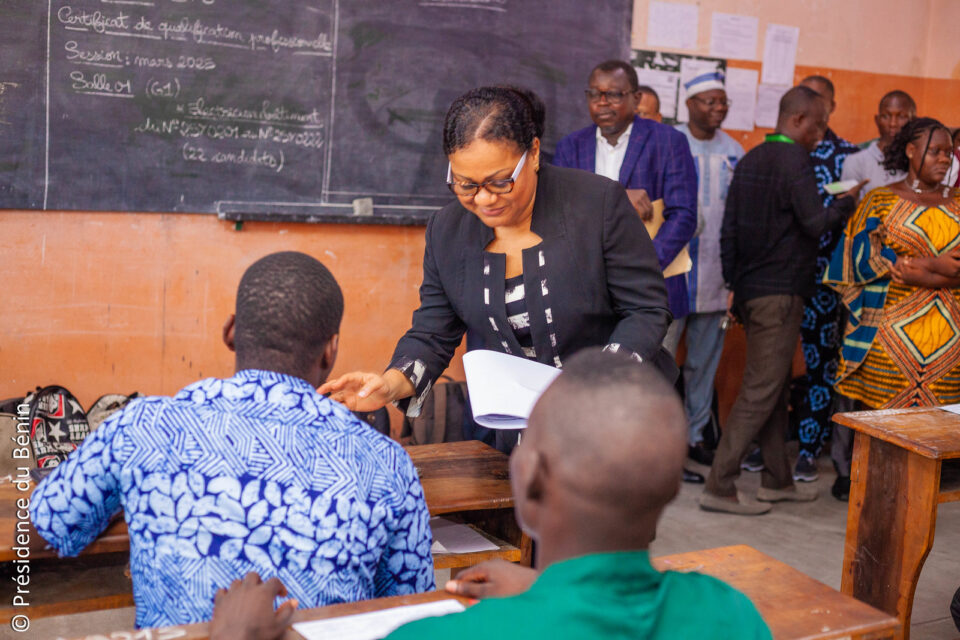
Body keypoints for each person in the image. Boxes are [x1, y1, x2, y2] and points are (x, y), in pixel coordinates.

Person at [212, 349, 773, 640]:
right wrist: (546, 595)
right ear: (672, 486)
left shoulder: (442, 637)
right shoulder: (731, 615)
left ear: (526, 483)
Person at [30, 252, 435, 628]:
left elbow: (52, 519)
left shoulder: (144, 426)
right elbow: (409, 614)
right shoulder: (386, 463)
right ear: (330, 351)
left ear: (230, 332)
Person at [320, 87, 673, 455]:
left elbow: (646, 311)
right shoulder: (448, 232)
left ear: (533, 153)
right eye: (465, 184)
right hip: (516, 435)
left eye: (500, 181)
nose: (484, 199)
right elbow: (433, 332)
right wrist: (390, 384)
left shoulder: (597, 205)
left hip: (611, 422)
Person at [701, 86, 863, 515]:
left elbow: (728, 231)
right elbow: (814, 223)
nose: (821, 134)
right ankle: (719, 485)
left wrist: (736, 286)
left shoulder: (751, 157)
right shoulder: (796, 160)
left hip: (751, 293)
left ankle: (777, 480)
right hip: (780, 294)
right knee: (761, 389)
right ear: (797, 120)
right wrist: (846, 204)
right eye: (818, 124)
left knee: (771, 387)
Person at [553, 59, 699, 352]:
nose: (603, 102)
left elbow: (683, 215)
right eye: (595, 94)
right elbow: (559, 215)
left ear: (635, 98)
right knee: (591, 386)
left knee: (646, 389)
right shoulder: (571, 146)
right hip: (585, 295)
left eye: (615, 94)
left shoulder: (669, 142)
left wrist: (642, 268)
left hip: (652, 294)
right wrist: (618, 196)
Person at [825, 118, 960, 414]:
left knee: (937, 435)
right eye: (935, 151)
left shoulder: (959, 202)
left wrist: (917, 272)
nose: (943, 159)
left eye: (949, 153)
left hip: (950, 344)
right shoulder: (880, 200)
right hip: (887, 341)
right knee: (882, 433)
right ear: (911, 150)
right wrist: (933, 264)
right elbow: (855, 259)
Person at [787, 75, 864, 483]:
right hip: (784, 277)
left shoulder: (847, 156)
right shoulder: (786, 151)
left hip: (827, 283)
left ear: (831, 106)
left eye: (822, 99)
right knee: (777, 367)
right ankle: (767, 449)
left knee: (820, 367)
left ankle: (808, 448)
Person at [673, 70, 744, 469]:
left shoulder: (734, 151)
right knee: (661, 362)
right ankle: (657, 441)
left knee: (704, 364)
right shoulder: (670, 142)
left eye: (723, 102)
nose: (718, 108)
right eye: (710, 101)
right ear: (689, 105)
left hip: (716, 275)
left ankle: (695, 435)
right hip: (672, 274)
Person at [841, 91, 916, 199]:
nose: (893, 124)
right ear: (877, 120)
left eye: (901, 117)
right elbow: (848, 206)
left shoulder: (918, 161)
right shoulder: (856, 162)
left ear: (913, 120)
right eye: (886, 116)